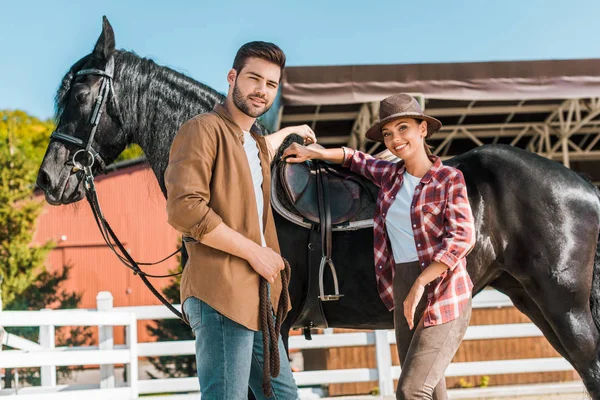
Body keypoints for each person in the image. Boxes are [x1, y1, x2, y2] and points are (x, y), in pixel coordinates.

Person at [283, 93, 476, 400]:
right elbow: (354, 158)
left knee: (412, 391)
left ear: (422, 129)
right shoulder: (390, 176)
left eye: (403, 128)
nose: (395, 139)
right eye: (388, 134)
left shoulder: (449, 178)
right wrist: (314, 152)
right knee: (432, 390)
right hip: (402, 288)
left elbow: (463, 237)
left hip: (443, 289)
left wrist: (420, 284)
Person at [164, 41, 316, 400]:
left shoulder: (254, 143)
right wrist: (254, 252)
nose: (262, 90)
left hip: (258, 298)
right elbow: (185, 207)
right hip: (221, 293)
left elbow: (265, 148)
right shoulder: (202, 129)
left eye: (271, 84)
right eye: (253, 79)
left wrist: (292, 131)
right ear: (232, 77)